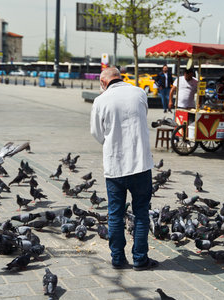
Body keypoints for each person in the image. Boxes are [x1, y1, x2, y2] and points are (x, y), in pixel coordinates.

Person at [90, 67, 158, 271]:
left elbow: (96, 133)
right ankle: (140, 259)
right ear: (119, 77)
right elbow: (141, 117)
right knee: (141, 213)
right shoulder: (139, 92)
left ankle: (118, 259)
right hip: (141, 165)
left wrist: (110, 141)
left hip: (115, 166)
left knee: (115, 214)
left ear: (103, 82)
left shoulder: (101, 100)